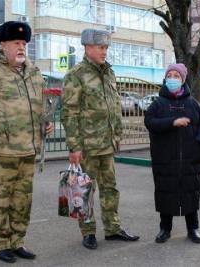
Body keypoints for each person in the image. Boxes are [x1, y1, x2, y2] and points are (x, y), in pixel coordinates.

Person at [0, 21, 54, 263]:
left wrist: (45, 123)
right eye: (16, 43)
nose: (21, 47)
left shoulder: (34, 73)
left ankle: (17, 242)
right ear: (3, 44)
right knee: (1, 200)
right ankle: (1, 243)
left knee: (22, 200)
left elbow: (41, 106)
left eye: (24, 43)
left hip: (28, 149)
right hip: (1, 151)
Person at [61, 28, 139, 250]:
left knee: (110, 189)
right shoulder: (76, 75)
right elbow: (69, 113)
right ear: (88, 47)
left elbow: (113, 107)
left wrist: (116, 136)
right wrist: (74, 146)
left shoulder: (109, 73)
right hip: (86, 147)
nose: (105, 51)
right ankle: (88, 232)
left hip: (106, 144)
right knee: (83, 190)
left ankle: (113, 228)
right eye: (101, 47)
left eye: (106, 47)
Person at [144, 63, 200, 244]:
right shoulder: (158, 103)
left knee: (190, 192)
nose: (173, 79)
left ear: (182, 79)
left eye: (176, 76)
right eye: (170, 75)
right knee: (166, 192)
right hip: (165, 159)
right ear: (165, 79)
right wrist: (173, 122)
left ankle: (193, 228)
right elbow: (149, 122)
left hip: (190, 158)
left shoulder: (192, 103)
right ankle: (165, 229)